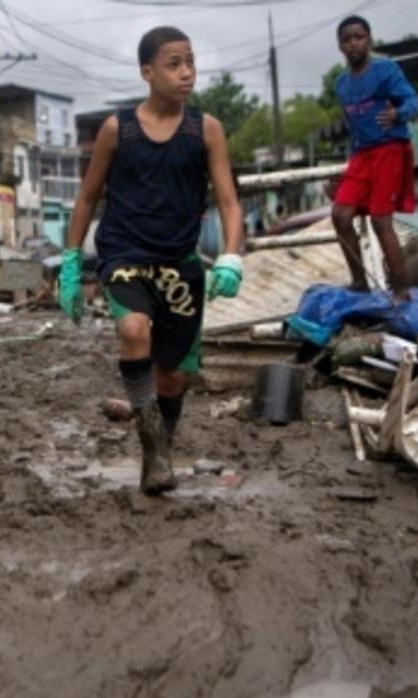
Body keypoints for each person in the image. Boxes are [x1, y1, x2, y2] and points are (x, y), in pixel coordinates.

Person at [60, 26, 244, 495]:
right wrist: (70, 262)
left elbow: (228, 202)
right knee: (133, 329)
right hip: (124, 254)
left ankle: (161, 442)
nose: (187, 73)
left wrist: (230, 256)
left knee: (172, 376)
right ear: (147, 72)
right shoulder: (115, 129)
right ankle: (153, 451)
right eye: (174, 63)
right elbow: (86, 199)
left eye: (191, 62)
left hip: (180, 264)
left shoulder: (206, 130)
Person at [328, 15, 418, 299]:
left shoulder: (386, 69)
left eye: (359, 37)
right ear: (340, 46)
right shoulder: (341, 84)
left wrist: (398, 114)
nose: (354, 43)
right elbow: (353, 127)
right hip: (362, 155)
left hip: (389, 149)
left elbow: (414, 101)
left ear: (369, 40)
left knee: (381, 220)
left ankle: (401, 289)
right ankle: (359, 282)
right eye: (347, 39)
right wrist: (346, 173)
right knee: (340, 216)